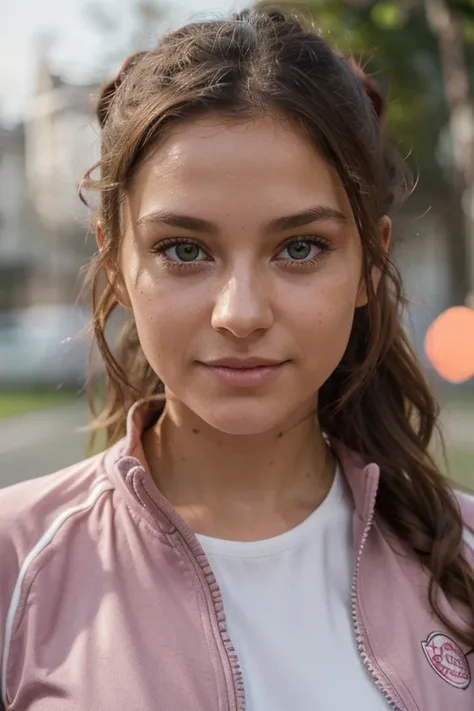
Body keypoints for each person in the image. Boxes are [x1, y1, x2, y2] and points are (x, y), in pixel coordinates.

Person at [0, 6, 473, 710]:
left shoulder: (460, 556)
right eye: (184, 250)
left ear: (370, 262)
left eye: (300, 247)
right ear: (116, 263)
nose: (241, 313)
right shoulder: (16, 563)